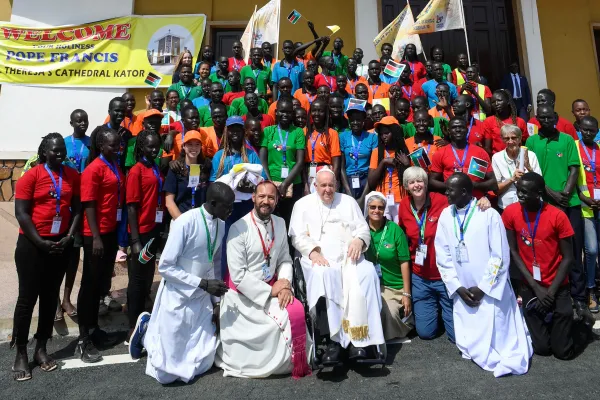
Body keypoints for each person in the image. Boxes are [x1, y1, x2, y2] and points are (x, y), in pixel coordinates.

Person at [127, 183, 234, 383]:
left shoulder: (221, 223)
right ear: (213, 203)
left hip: (202, 298)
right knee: (166, 373)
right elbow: (165, 267)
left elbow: (214, 262)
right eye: (228, 207)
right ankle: (146, 330)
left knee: (206, 360)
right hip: (178, 292)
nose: (231, 211)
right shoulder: (185, 222)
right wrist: (202, 283)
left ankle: (153, 329)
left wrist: (216, 301)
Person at [435, 172, 532, 376]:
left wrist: (483, 288)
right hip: (463, 286)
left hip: (488, 289)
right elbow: (442, 254)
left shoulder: (488, 214)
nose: (446, 193)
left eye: (450, 190)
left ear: (464, 191)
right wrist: (457, 287)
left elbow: (500, 255)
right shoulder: (446, 215)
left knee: (497, 331)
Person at [216, 181, 311, 378]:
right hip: (243, 296)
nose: (265, 201)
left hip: (274, 286)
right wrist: (270, 291)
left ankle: (293, 361)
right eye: (261, 196)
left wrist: (284, 285)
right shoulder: (237, 228)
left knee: (295, 310)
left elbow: (285, 259)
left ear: (277, 200)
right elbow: (239, 276)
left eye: (270, 197)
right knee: (282, 319)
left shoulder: (280, 223)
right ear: (253, 198)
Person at [289, 168, 384, 364]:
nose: (327, 189)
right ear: (315, 186)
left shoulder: (348, 202)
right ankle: (335, 342)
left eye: (331, 185)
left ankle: (362, 341)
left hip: (348, 257)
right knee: (325, 274)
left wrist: (359, 241)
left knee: (367, 272)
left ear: (337, 185)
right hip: (318, 257)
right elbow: (296, 235)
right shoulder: (302, 204)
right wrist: (313, 251)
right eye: (323, 185)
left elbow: (362, 228)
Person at [12, 133, 81, 381]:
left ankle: (41, 349)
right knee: (27, 299)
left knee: (50, 297)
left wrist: (70, 236)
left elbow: (77, 209)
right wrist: (40, 242)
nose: (59, 153)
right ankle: (21, 352)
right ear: (44, 152)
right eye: (54, 150)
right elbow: (21, 213)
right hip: (32, 245)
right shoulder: (31, 176)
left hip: (59, 244)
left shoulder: (72, 175)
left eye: (62, 149)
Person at [526, 105, 590, 323]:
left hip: (569, 203)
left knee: (574, 250)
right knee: (551, 252)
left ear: (556, 117)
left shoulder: (566, 140)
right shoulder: (532, 142)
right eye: (541, 117)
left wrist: (566, 193)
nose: (546, 120)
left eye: (550, 116)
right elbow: (532, 172)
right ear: (537, 119)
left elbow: (574, 168)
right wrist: (551, 193)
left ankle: (580, 299)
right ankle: (555, 297)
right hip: (545, 203)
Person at [502, 172, 577, 359]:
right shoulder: (511, 212)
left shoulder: (557, 216)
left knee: (563, 353)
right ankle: (549, 317)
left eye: (525, 192)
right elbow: (513, 251)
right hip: (530, 284)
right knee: (542, 349)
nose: (520, 195)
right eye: (519, 191)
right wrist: (535, 287)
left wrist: (550, 293)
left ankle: (576, 326)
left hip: (557, 286)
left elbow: (568, 258)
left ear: (539, 193)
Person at [77, 128, 125, 362]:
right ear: (101, 146)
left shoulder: (114, 165)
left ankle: (95, 329)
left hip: (110, 231)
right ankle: (83, 338)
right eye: (112, 146)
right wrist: (95, 236)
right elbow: (89, 204)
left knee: (101, 284)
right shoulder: (93, 169)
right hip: (95, 234)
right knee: (89, 284)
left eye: (119, 145)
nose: (117, 149)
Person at [398, 167, 456, 341]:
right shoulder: (403, 206)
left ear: (426, 182)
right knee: (425, 333)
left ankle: (445, 311)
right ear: (406, 186)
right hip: (420, 277)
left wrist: (482, 200)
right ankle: (435, 311)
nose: (416, 185)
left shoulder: (441, 201)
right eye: (412, 182)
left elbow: (464, 207)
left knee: (457, 337)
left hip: (444, 276)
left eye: (420, 181)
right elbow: (403, 238)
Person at [125, 129, 164, 343]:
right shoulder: (136, 171)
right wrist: (135, 240)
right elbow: (131, 207)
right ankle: (132, 324)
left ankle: (142, 319)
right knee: (137, 280)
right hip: (141, 231)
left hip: (154, 229)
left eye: (156, 145)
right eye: (149, 146)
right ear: (141, 147)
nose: (154, 149)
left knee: (148, 275)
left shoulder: (155, 167)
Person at [54, 110, 90, 322]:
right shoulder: (64, 143)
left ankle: (67, 299)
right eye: (78, 120)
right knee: (58, 254)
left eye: (84, 120)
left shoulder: (91, 142)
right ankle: (55, 301)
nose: (82, 123)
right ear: (71, 122)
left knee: (74, 254)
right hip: (64, 202)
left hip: (83, 202)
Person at [364, 191, 413, 341]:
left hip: (393, 286)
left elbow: (404, 262)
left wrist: (406, 294)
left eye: (380, 207)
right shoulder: (361, 228)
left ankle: (399, 329)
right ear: (367, 208)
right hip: (370, 285)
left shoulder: (394, 229)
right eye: (372, 207)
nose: (376, 211)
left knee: (388, 313)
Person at [260, 98, 305, 229]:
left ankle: (289, 250)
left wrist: (285, 184)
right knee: (271, 223)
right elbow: (263, 159)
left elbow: (300, 161)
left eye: (289, 112)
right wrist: (269, 182)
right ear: (276, 112)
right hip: (272, 184)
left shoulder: (298, 132)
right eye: (282, 111)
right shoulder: (268, 131)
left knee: (290, 223)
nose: (285, 115)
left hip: (293, 184)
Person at [430, 117, 496, 199]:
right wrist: (450, 185)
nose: (458, 130)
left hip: (476, 200)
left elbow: (493, 182)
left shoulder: (479, 152)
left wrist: (475, 185)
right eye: (454, 127)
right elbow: (432, 181)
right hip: (452, 201)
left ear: (467, 129)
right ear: (448, 131)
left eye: (461, 127)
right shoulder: (440, 153)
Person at [575, 117, 600, 312]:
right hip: (585, 206)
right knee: (591, 250)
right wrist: (583, 197)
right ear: (580, 129)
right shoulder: (574, 146)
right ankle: (590, 288)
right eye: (586, 130)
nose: (589, 133)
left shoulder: (599, 148)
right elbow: (572, 175)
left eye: (593, 130)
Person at [368, 117, 409, 222]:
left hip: (401, 199)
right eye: (381, 134)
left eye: (387, 133)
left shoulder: (405, 151)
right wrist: (383, 163)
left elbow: (413, 179)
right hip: (382, 200)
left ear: (395, 133)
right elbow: (371, 182)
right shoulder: (377, 152)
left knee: (399, 231)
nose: (383, 137)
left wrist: (407, 165)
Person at [492, 125, 541, 211]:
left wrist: (529, 167)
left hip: (530, 204)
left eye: (513, 138)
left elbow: (540, 184)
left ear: (520, 138)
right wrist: (512, 179)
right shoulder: (497, 157)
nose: (510, 141)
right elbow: (496, 190)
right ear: (502, 139)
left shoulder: (531, 155)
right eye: (506, 138)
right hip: (506, 206)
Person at [339, 103, 378, 204]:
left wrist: (363, 197)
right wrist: (348, 192)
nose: (355, 123)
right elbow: (342, 167)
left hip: (366, 181)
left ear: (364, 121)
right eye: (352, 120)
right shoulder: (343, 136)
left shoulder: (372, 137)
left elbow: (372, 167)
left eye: (358, 120)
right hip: (347, 181)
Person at [164, 130, 208, 220]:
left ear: (201, 147)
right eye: (190, 144)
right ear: (184, 146)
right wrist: (182, 222)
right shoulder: (175, 168)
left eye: (197, 144)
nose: (194, 148)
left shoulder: (206, 166)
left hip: (201, 219)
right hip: (180, 218)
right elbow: (169, 201)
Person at [304, 98, 342, 193]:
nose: (317, 114)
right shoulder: (304, 132)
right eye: (314, 111)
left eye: (320, 111)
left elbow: (336, 162)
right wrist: (305, 185)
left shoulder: (332, 133)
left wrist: (333, 181)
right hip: (308, 170)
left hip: (325, 170)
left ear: (326, 113)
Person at [483, 89, 528, 156]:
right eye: (493, 102)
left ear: (507, 102)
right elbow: (487, 147)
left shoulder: (520, 122)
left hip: (517, 158)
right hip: (498, 160)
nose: (496, 104)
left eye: (499, 100)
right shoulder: (489, 121)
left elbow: (524, 144)